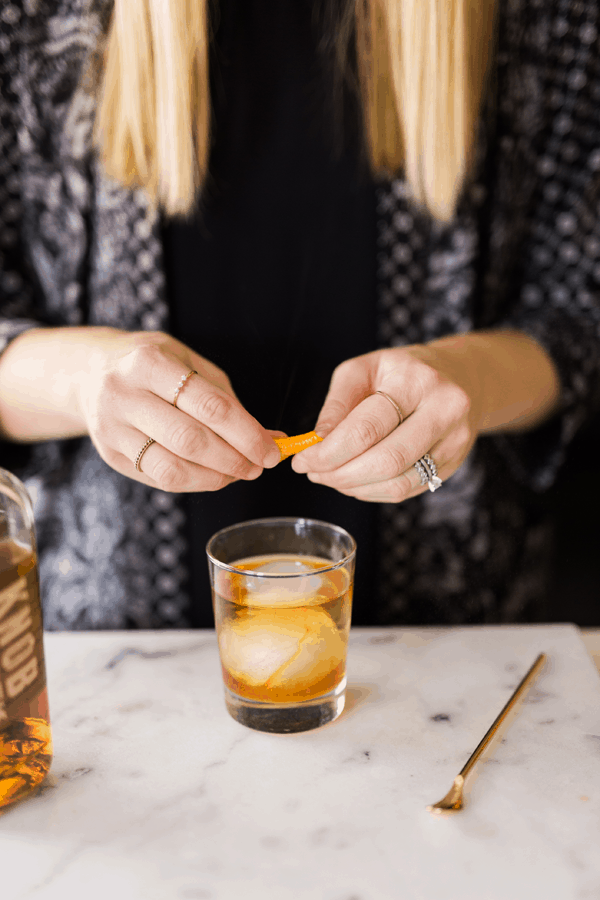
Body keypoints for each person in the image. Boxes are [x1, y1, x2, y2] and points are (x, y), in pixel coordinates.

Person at [0, 0, 597, 630]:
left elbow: (578, 312)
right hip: (112, 652)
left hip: (453, 644)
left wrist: (469, 381)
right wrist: (84, 379)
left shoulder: (545, 15)